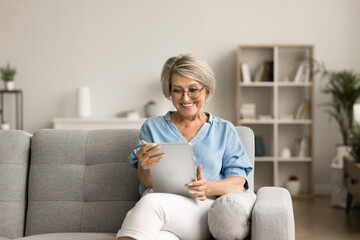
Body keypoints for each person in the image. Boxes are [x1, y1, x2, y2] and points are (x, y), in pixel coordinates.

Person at [117, 54, 253, 240]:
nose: (185, 98)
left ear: (206, 90)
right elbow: (146, 181)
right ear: (169, 91)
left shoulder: (224, 130)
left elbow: (238, 183)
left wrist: (207, 187)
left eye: (193, 90)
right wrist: (144, 166)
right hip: (161, 209)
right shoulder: (152, 127)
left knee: (151, 203)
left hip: (201, 209)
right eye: (177, 90)